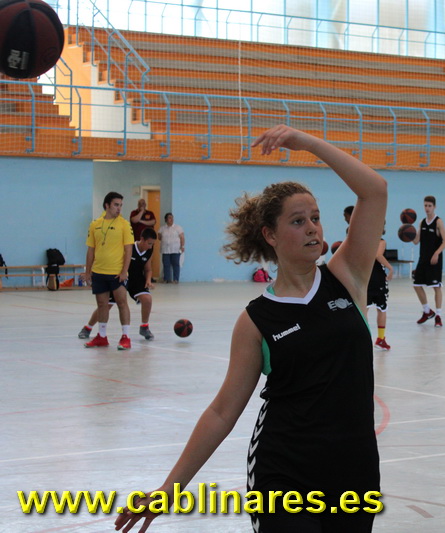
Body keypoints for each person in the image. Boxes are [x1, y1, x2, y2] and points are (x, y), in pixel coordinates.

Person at [114, 125, 386, 533]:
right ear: (270, 235)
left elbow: (375, 191)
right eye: (298, 221)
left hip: (355, 468)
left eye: (315, 218)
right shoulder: (257, 320)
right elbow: (222, 412)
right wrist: (169, 489)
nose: (313, 228)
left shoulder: (347, 276)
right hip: (285, 472)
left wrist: (306, 143)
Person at [78, 228, 157, 341]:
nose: (150, 246)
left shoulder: (149, 250)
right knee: (106, 305)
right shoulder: (129, 247)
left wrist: (148, 280)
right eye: (149, 243)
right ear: (142, 239)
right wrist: (89, 272)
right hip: (120, 277)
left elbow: (148, 269)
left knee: (147, 299)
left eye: (152, 244)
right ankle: (87, 328)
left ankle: (144, 327)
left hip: (136, 280)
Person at [80, 192, 134, 350]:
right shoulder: (95, 224)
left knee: (122, 303)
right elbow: (90, 250)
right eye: (116, 205)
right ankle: (102, 337)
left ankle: (126, 337)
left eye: (120, 205)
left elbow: (128, 249)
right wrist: (88, 272)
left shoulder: (124, 224)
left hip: (117, 273)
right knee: (102, 304)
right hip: (99, 272)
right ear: (107, 205)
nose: (119, 208)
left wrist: (124, 271)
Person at [412, 195, 445, 327]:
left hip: (434, 260)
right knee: (416, 285)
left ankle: (438, 315)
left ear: (434, 207)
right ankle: (427, 311)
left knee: (436, 287)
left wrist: (436, 253)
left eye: (429, 206)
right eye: (425, 205)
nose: (427, 208)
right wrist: (408, 232)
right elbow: (416, 241)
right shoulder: (422, 222)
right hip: (423, 259)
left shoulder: (438, 222)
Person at [369, 231, 394, 350]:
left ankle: (361, 338)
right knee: (381, 308)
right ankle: (380, 339)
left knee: (363, 310)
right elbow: (378, 255)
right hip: (377, 278)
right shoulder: (380, 241)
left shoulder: (363, 240)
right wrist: (390, 268)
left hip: (364, 276)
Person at [158, 212, 185, 283]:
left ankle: (176, 279)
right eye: (169, 218)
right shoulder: (162, 228)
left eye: (172, 218)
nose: (171, 219)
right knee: (166, 264)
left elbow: (182, 237)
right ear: (166, 220)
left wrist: (182, 246)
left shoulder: (178, 228)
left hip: (175, 249)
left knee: (176, 264)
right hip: (165, 249)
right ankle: (167, 279)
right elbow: (159, 237)